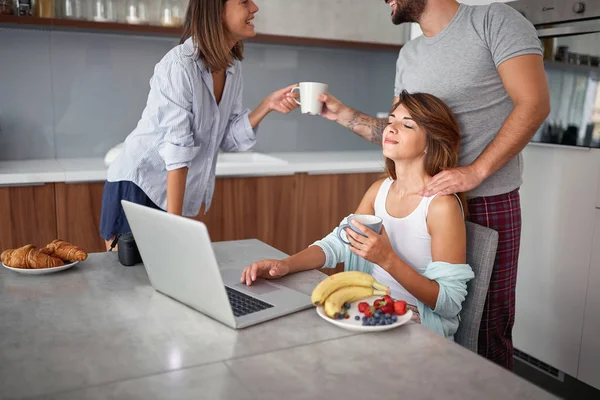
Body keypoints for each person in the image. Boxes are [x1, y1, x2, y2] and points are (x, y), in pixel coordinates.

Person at [313, 0, 550, 369]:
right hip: (422, 202)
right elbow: (400, 131)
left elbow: (534, 103)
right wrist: (343, 115)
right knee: (422, 323)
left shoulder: (493, 20)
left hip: (486, 201)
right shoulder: (410, 53)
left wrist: (475, 171)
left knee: (486, 333)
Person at [241, 91, 474, 339]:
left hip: (418, 326)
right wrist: (285, 265)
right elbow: (339, 243)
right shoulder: (378, 191)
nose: (391, 128)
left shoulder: (441, 206)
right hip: (369, 308)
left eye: (407, 124)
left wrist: (387, 259)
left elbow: (449, 303)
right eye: (391, 120)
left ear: (431, 142)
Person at [100, 0, 298, 250]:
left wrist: (266, 105)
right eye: (244, 2)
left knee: (164, 281)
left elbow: (226, 139)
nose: (255, 8)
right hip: (138, 187)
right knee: (129, 285)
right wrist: (175, 228)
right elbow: (177, 152)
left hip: (170, 192)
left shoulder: (232, 68)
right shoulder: (180, 65)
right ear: (217, 10)